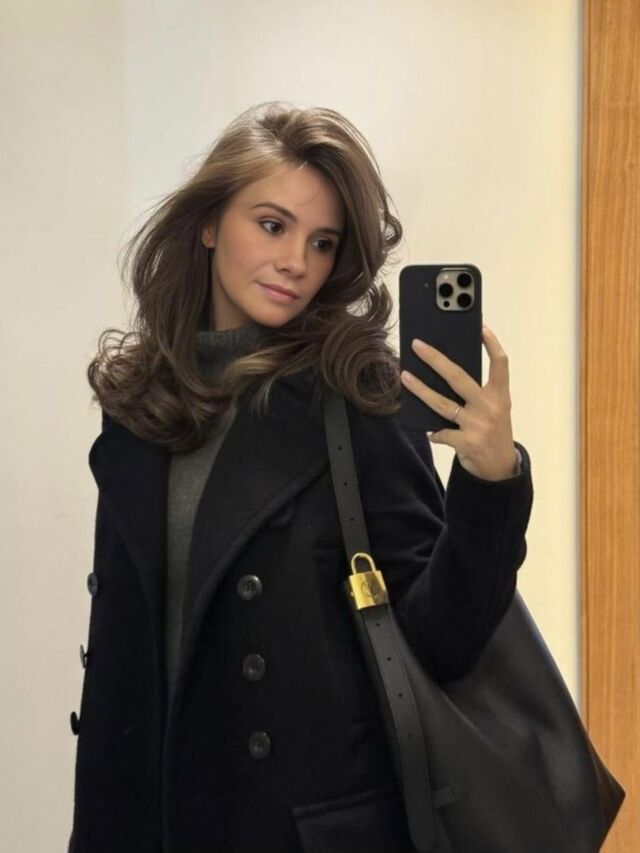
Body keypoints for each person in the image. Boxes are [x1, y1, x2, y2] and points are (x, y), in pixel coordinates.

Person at [68, 101, 533, 853]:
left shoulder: (356, 400)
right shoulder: (139, 407)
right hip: (143, 820)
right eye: (272, 225)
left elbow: (439, 643)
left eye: (322, 242)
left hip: (297, 830)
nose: (297, 262)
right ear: (209, 223)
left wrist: (491, 481)